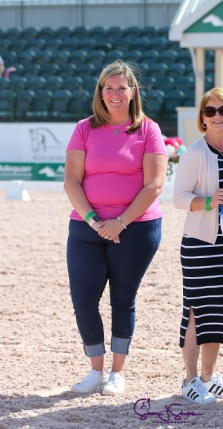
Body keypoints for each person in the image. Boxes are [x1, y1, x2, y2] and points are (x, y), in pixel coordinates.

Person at [63, 60, 167, 395]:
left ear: (133, 91)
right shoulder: (84, 128)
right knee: (83, 299)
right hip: (87, 228)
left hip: (136, 228)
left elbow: (154, 184)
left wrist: (120, 222)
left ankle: (117, 373)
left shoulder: (148, 130)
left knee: (123, 299)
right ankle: (95, 369)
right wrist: (96, 222)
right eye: (108, 88)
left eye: (122, 87)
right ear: (100, 93)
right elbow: (71, 181)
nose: (115, 94)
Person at [173, 88, 223, 405]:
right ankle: (191, 380)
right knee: (196, 312)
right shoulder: (194, 152)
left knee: (219, 312)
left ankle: (208, 378)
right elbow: (178, 197)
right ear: (202, 117)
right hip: (199, 244)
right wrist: (208, 201)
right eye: (210, 111)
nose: (217, 116)